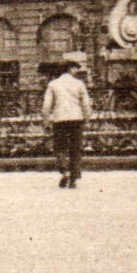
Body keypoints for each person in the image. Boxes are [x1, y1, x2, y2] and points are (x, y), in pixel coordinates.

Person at [43, 52, 94, 188]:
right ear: (70, 69)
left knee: (60, 147)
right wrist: (87, 119)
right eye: (75, 68)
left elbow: (47, 105)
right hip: (76, 119)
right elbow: (86, 104)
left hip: (59, 119)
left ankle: (64, 170)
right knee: (75, 149)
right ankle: (73, 179)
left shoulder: (53, 84)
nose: (77, 71)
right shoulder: (79, 84)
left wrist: (46, 120)